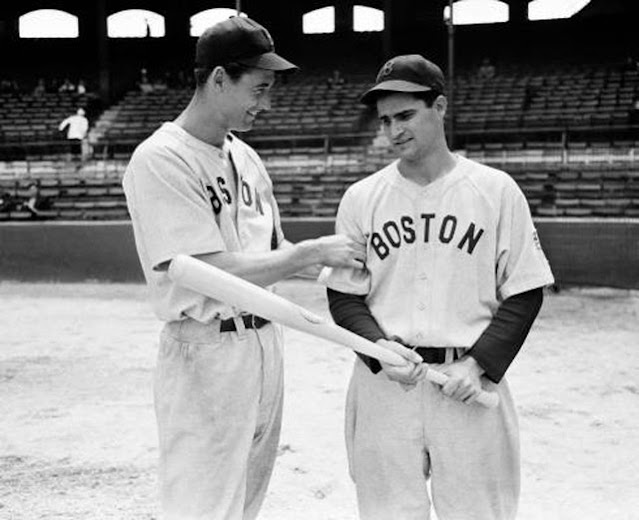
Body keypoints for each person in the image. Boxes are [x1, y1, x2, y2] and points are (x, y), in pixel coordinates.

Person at [122, 16, 366, 520]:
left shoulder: (248, 158)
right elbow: (205, 268)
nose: (266, 103)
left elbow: (272, 253)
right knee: (202, 506)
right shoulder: (161, 159)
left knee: (247, 502)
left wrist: (336, 268)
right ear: (217, 79)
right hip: (205, 346)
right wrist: (310, 253)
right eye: (258, 88)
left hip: (263, 342)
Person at [321, 54, 555, 520]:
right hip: (385, 383)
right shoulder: (362, 197)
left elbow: (525, 290)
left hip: (467, 383)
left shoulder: (495, 190)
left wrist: (479, 364)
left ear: (440, 107)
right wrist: (378, 347)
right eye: (385, 120)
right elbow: (344, 294)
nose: (393, 131)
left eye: (406, 115)